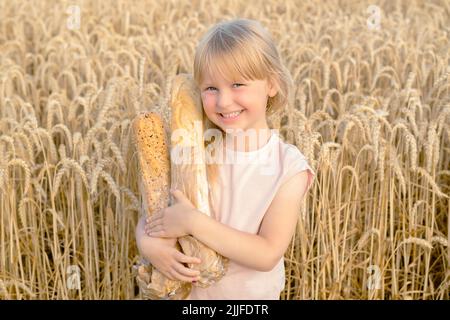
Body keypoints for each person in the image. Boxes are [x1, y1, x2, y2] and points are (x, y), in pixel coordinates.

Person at [135, 18, 315, 300]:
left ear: (271, 84)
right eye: (211, 88)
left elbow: (267, 253)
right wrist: (148, 244)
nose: (223, 101)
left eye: (237, 84)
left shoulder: (288, 168)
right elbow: (155, 211)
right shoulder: (191, 147)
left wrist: (193, 223)